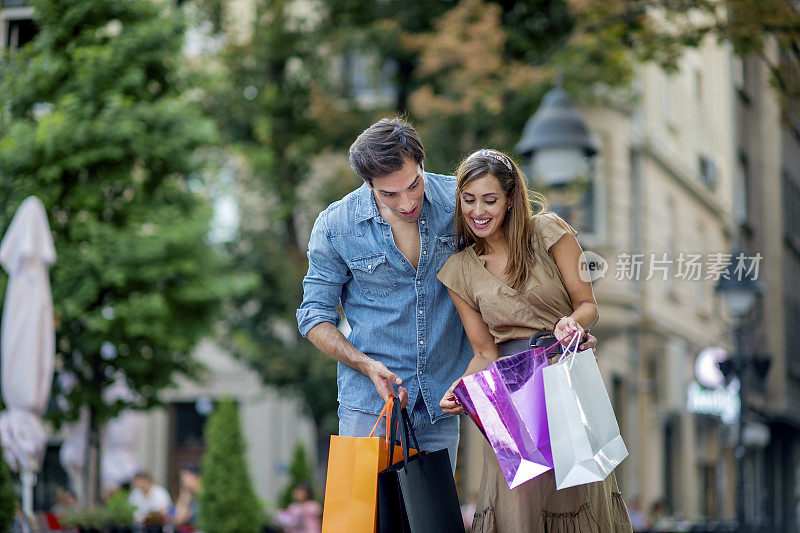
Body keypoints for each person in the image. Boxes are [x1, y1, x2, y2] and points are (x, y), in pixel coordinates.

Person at [296, 118, 597, 469]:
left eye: (413, 185)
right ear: (368, 184)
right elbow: (313, 316)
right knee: (367, 520)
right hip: (369, 406)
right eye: (389, 194)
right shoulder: (336, 226)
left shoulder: (460, 204)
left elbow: (509, 272)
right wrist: (364, 365)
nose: (407, 202)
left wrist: (560, 333)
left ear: (421, 164)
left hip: (442, 403)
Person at [437, 149, 632, 531]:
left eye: (490, 200)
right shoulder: (458, 270)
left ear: (510, 200)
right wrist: (458, 388)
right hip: (508, 396)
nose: (478, 210)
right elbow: (483, 352)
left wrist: (572, 324)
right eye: (469, 199)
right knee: (519, 508)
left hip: (563, 377)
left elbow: (587, 305)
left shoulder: (548, 232)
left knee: (575, 493)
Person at [171, 464, 201, 529]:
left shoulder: (204, 494)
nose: (181, 480)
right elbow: (178, 520)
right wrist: (183, 498)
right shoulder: (188, 494)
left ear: (195, 476)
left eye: (184, 476)